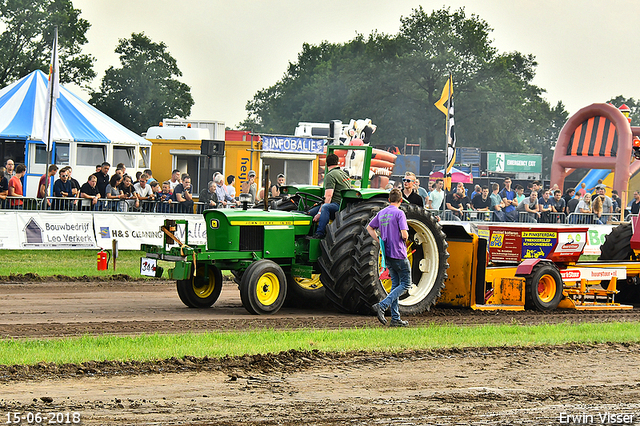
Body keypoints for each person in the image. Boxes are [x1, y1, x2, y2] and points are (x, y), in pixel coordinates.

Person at [368, 188, 410, 327]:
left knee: (395, 285)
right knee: (406, 284)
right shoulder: (400, 213)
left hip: (387, 254)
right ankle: (382, 305)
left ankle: (396, 318)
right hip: (399, 252)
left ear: (388, 200)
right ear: (401, 200)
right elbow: (404, 235)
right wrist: (406, 237)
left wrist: (379, 239)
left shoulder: (382, 213)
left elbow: (369, 228)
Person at [308, 154, 351, 239]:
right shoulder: (343, 174)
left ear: (326, 164)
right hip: (345, 205)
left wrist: (319, 213)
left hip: (338, 205)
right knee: (310, 213)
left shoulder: (330, 175)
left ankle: (320, 233)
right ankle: (308, 234)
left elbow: (328, 197)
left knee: (325, 207)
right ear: (337, 162)